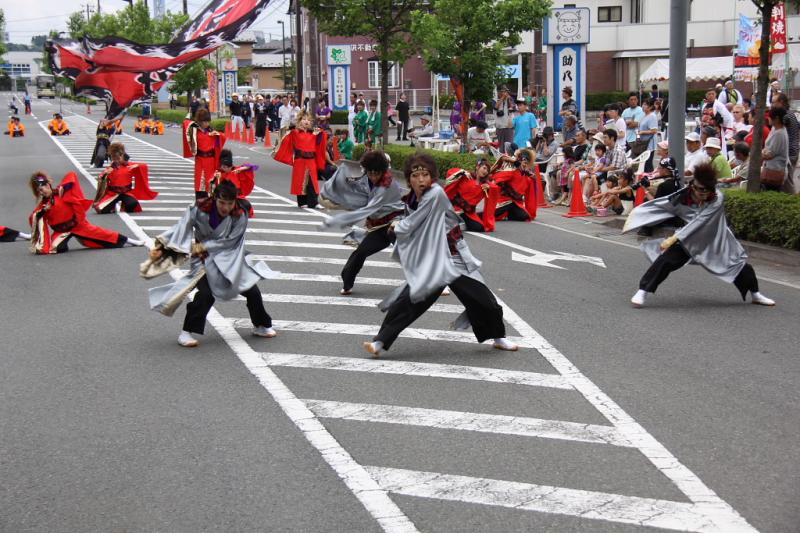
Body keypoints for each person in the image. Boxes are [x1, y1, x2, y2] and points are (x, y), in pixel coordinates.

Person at [363, 153, 517, 357]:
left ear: (432, 177)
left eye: (425, 175)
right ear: (409, 179)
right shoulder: (409, 201)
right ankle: (380, 342)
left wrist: (400, 226)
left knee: (484, 300)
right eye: (416, 176)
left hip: (454, 258)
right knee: (409, 301)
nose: (421, 180)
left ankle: (498, 337)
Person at [145, 180, 278, 347]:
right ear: (215, 198)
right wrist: (163, 246)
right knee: (206, 295)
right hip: (203, 259)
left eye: (230, 203)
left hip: (230, 258)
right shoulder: (199, 209)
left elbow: (229, 242)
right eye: (222, 202)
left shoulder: (240, 214)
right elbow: (181, 228)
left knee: (251, 290)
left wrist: (201, 246)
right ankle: (186, 332)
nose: (225, 207)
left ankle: (261, 324)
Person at [624, 163, 775, 308]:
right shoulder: (681, 197)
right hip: (689, 239)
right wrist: (639, 216)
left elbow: (700, 222)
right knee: (665, 261)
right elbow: (662, 206)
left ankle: (755, 294)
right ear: (693, 186)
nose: (703, 193)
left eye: (707, 190)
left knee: (740, 265)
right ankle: (642, 291)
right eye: (700, 190)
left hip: (715, 239)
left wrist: (674, 238)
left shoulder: (717, 198)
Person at [319, 151, 406, 294]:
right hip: (378, 227)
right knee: (361, 252)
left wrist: (339, 218)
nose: (373, 176)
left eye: (376, 173)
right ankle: (347, 283)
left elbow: (368, 206)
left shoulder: (388, 184)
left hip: (397, 223)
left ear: (383, 171)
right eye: (370, 173)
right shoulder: (365, 180)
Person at [28, 171, 143, 254]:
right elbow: (33, 216)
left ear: (48, 185)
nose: (42, 192)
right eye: (39, 191)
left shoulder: (62, 192)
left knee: (105, 235)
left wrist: (64, 186)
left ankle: (131, 241)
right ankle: (64, 244)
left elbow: (71, 175)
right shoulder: (43, 204)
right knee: (54, 249)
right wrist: (44, 211)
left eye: (42, 189)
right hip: (62, 231)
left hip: (79, 225)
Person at [273, 110, 328, 208]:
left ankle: (314, 202)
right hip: (300, 160)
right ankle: (302, 202)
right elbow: (284, 135)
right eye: (303, 119)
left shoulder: (313, 133)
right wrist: (291, 128)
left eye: (308, 120)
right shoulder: (295, 132)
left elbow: (321, 139)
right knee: (301, 181)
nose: (306, 121)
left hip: (311, 160)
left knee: (312, 181)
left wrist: (320, 132)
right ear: (299, 121)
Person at [93, 143, 158, 214]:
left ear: (122, 156)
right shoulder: (110, 168)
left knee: (132, 204)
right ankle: (112, 207)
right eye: (114, 158)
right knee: (101, 210)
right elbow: (100, 178)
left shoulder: (129, 166)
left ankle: (123, 206)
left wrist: (137, 166)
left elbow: (144, 166)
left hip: (126, 193)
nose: (116, 160)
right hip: (113, 193)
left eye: (118, 158)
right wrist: (105, 174)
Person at [444, 160, 498, 233]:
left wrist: (489, 188)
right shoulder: (466, 176)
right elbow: (450, 172)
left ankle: (462, 222)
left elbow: (495, 188)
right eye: (484, 168)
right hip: (455, 208)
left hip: (468, 213)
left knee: (479, 227)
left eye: (487, 170)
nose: (485, 171)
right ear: (477, 167)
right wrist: (462, 172)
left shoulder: (484, 185)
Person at [184, 108, 227, 199]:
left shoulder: (211, 131)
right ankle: (200, 203)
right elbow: (186, 123)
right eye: (204, 121)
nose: (207, 124)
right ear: (199, 121)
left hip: (211, 161)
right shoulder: (194, 131)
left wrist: (217, 135)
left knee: (211, 183)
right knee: (200, 184)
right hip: (200, 159)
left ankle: (211, 203)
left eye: (208, 121)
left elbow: (221, 139)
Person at [490, 149, 537, 221]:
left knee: (524, 216)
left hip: (517, 203)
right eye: (523, 162)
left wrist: (531, 212)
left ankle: (509, 214)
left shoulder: (528, 179)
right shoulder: (512, 172)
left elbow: (530, 197)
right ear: (519, 162)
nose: (525, 165)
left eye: (526, 163)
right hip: (504, 201)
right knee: (492, 213)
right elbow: (495, 179)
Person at [211, 149, 256, 217]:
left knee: (246, 206)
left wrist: (242, 169)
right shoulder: (218, 173)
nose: (224, 168)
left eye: (226, 167)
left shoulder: (236, 171)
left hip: (235, 198)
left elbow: (251, 167)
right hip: (221, 198)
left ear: (231, 166)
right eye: (223, 166)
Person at [771, 92, 799, 194]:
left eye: (774, 102)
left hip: (789, 152)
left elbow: (778, 132)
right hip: (793, 150)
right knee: (787, 180)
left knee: (787, 181)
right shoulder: (791, 114)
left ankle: (793, 203)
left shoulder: (785, 116)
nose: (772, 105)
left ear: (781, 102)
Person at [761, 106, 789, 191]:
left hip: (775, 170)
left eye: (769, 116)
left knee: (771, 191)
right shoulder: (774, 129)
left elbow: (770, 154)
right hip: (770, 168)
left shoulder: (779, 133)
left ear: (776, 118)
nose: (768, 118)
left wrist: (761, 153)